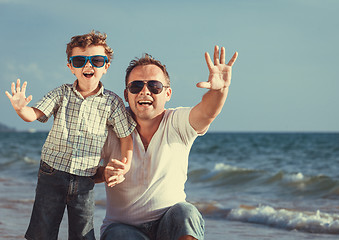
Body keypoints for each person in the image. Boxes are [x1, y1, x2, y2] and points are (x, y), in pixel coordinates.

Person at [5, 31, 136, 240]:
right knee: (42, 231)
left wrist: (126, 164)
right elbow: (34, 115)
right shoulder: (61, 93)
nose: (88, 65)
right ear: (70, 66)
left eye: (96, 60)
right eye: (79, 60)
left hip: (86, 177)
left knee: (83, 234)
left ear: (106, 66)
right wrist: (21, 109)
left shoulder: (112, 102)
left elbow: (126, 136)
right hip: (51, 172)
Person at [98, 45, 238, 240]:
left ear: (168, 93)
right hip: (123, 228)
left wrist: (220, 90)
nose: (144, 91)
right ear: (126, 94)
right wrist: (104, 173)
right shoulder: (110, 128)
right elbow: (82, 170)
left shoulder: (177, 122)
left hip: (171, 225)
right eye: (136, 86)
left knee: (186, 213)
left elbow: (207, 112)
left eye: (154, 86)